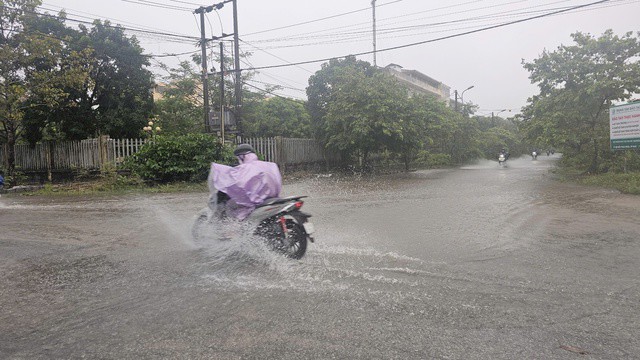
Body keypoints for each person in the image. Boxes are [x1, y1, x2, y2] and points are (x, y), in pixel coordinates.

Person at [207, 144, 282, 220]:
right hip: (271, 198)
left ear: (241, 156)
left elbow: (239, 183)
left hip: (256, 200)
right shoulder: (270, 165)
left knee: (230, 206)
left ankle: (233, 227)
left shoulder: (246, 168)